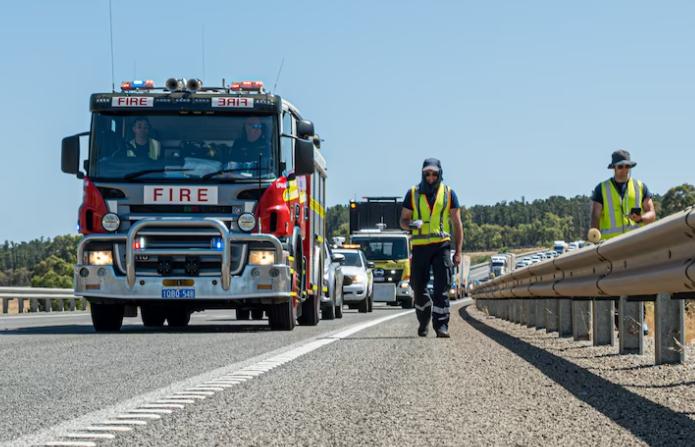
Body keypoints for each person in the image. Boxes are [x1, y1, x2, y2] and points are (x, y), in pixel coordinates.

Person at [400, 158, 464, 338]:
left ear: (440, 173)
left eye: (434, 173)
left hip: (441, 245)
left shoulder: (449, 194)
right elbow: (403, 221)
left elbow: (457, 224)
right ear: (422, 173)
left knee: (442, 286)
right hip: (420, 247)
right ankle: (423, 321)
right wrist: (412, 224)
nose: (430, 177)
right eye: (427, 173)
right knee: (418, 288)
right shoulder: (412, 193)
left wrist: (458, 252)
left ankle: (441, 326)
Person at [590, 149, 656, 240]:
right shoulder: (601, 189)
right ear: (614, 167)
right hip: (610, 245)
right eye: (620, 166)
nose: (624, 169)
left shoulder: (640, 186)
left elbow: (652, 214)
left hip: (635, 242)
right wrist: (595, 239)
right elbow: (595, 217)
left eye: (627, 166)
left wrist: (640, 218)